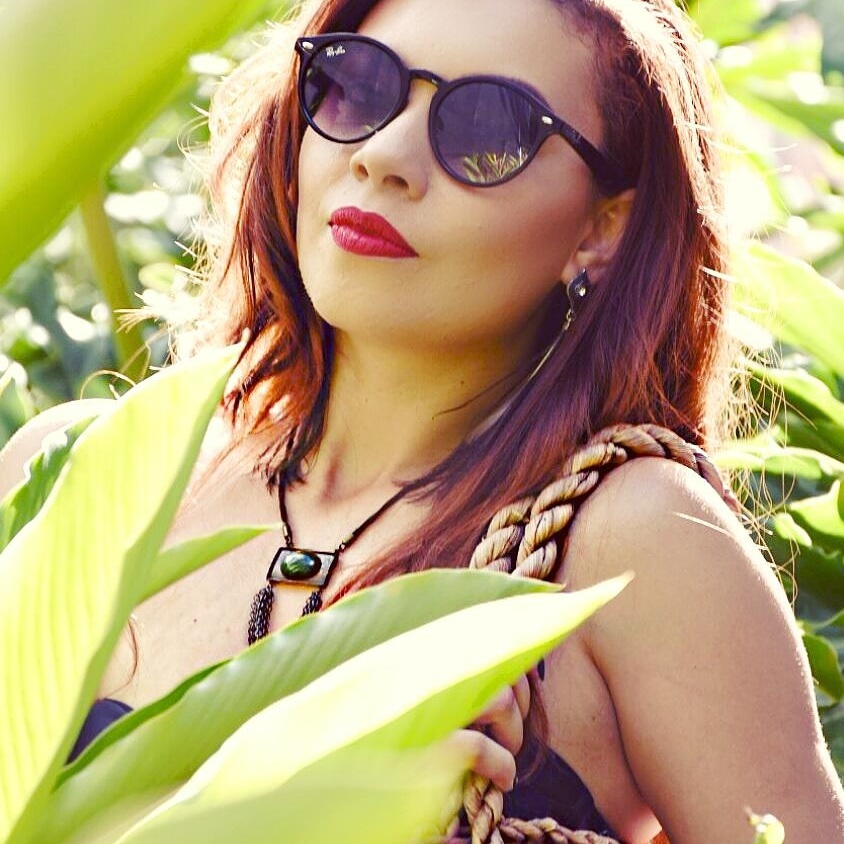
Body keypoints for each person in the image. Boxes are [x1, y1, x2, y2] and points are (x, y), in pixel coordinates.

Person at [1, 0, 842, 840]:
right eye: (358, 86)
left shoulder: (638, 543)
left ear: (601, 229)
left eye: (486, 129)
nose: (383, 156)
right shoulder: (74, 478)